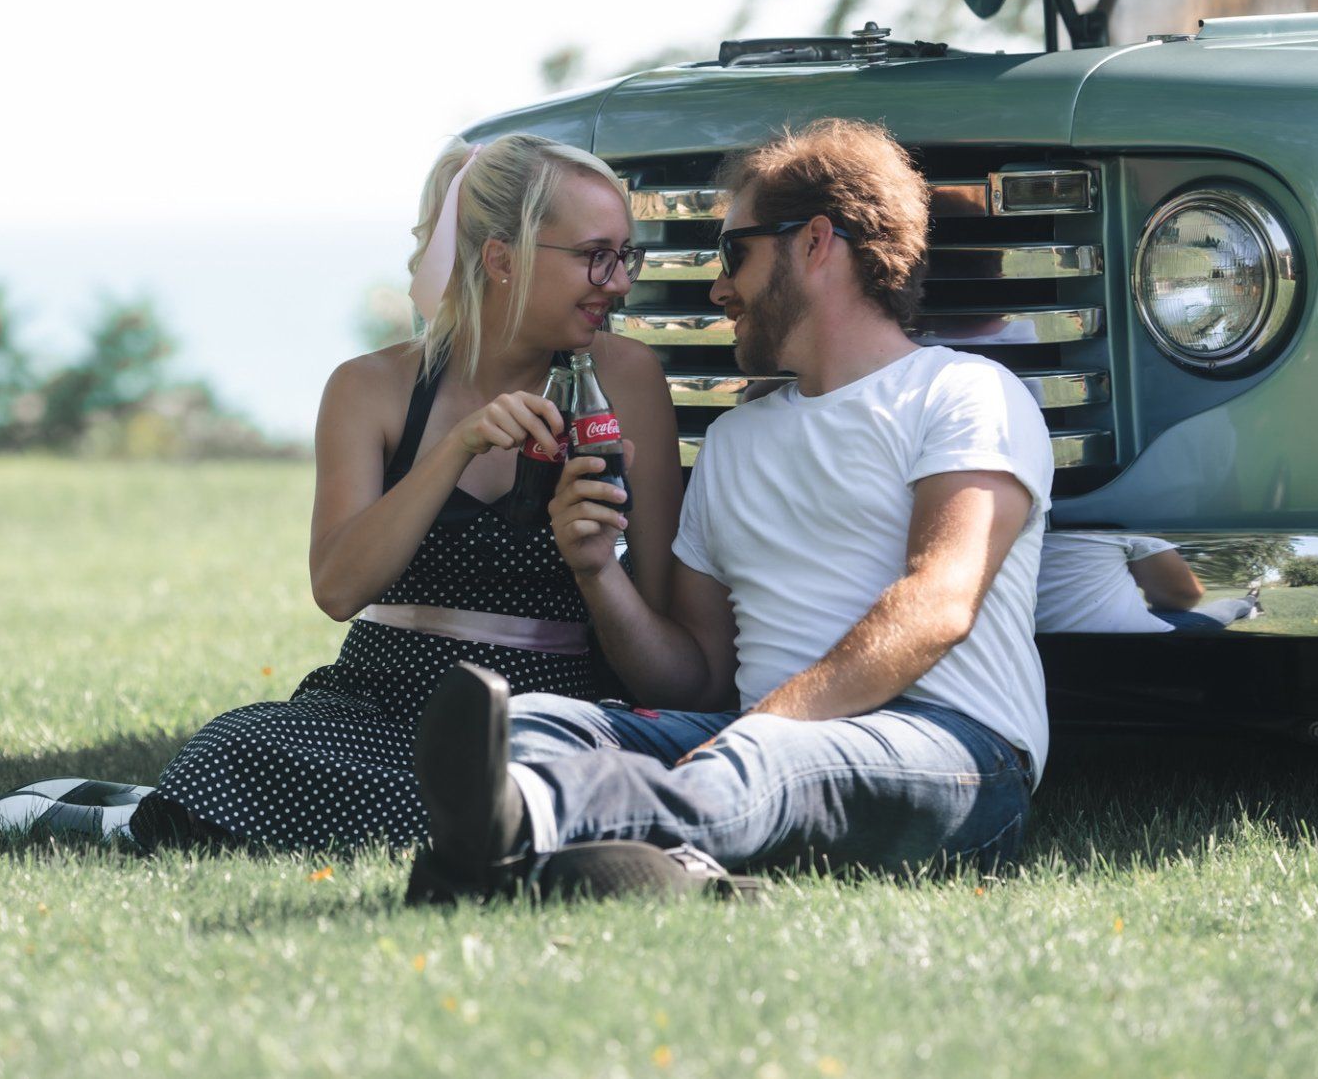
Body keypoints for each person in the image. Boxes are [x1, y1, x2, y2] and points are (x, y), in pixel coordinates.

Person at [0, 132, 680, 851]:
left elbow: (662, 633)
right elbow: (339, 589)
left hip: (551, 711)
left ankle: (154, 818)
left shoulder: (627, 381)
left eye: (626, 256)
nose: (619, 282)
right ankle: (156, 814)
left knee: (504, 786)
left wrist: (594, 561)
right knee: (239, 743)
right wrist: (456, 447)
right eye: (597, 255)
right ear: (502, 259)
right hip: (382, 700)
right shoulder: (370, 388)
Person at [407, 117, 1055, 902]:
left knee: (767, 764)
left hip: (949, 746)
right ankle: (631, 869)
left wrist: (761, 728)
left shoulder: (963, 394)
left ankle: (529, 824)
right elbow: (696, 678)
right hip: (748, 742)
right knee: (539, 722)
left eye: (733, 253)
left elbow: (936, 608)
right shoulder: (735, 442)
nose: (718, 288)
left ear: (816, 243)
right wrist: (596, 571)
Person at [1035, 533, 1261, 633]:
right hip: (1126, 639)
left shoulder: (1005, 508)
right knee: (1220, 609)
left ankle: (1248, 601)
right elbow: (1184, 595)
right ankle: (1248, 601)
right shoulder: (1116, 511)